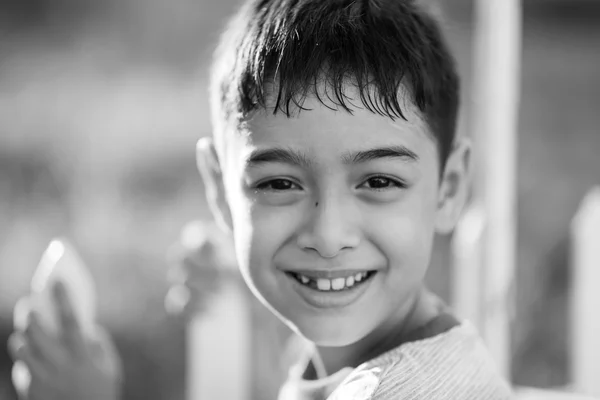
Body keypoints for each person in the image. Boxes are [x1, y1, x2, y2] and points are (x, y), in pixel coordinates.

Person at [9, 0, 515, 398]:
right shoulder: (360, 356)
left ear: (448, 189)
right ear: (220, 192)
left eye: (379, 182)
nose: (328, 235)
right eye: (279, 184)